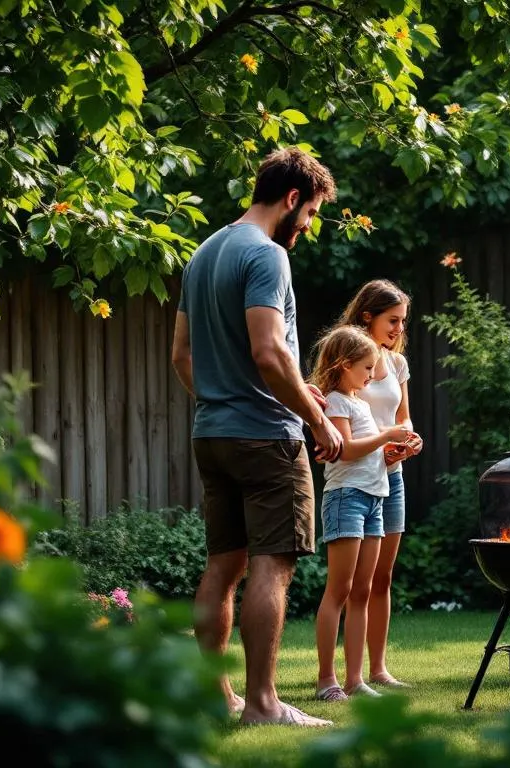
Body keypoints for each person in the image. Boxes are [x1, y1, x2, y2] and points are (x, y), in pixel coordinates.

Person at [170, 147, 343, 727]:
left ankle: (216, 697)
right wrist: (315, 420)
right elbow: (269, 352)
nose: (309, 227)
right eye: (312, 213)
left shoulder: (203, 253)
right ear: (293, 199)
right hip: (267, 439)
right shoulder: (266, 255)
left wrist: (228, 398)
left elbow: (182, 356)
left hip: (213, 433)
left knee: (222, 567)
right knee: (273, 565)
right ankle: (264, 705)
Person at [309, 325, 413, 702]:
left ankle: (355, 681)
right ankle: (326, 681)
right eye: (367, 368)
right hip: (346, 499)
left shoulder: (358, 402)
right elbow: (347, 450)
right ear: (344, 365)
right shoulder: (335, 401)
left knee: (363, 590)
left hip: (374, 498)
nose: (372, 375)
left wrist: (397, 447)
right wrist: (388, 436)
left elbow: (372, 454)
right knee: (338, 590)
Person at [338, 280, 424, 689]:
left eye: (403, 322)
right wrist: (382, 444)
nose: (398, 329)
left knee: (383, 577)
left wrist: (407, 440)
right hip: (357, 479)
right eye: (393, 320)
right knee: (356, 581)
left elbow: (403, 416)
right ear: (367, 316)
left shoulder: (397, 364)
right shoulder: (349, 361)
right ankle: (347, 674)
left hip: (393, 476)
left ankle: (378, 669)